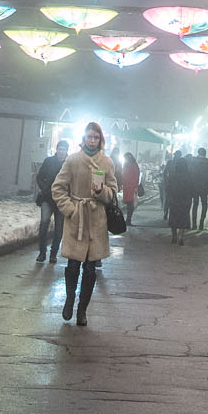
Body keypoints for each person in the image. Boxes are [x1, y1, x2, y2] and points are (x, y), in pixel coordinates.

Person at [51, 122, 120, 326]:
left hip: (97, 221)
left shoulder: (107, 163)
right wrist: (70, 209)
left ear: (100, 140)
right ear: (84, 138)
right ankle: (70, 298)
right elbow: (58, 188)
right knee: (73, 266)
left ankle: (82, 309)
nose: (92, 141)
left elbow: (113, 192)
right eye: (89, 137)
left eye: (96, 137)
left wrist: (102, 192)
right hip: (77, 219)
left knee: (90, 270)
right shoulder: (73, 160)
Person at [33, 139, 70, 265]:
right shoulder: (48, 161)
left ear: (67, 151)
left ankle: (53, 254)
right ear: (56, 149)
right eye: (60, 149)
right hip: (47, 198)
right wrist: (44, 189)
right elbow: (39, 177)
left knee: (59, 228)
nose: (61, 151)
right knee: (44, 223)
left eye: (63, 149)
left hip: (62, 200)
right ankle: (42, 252)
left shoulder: (69, 164)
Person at [120, 151, 141, 225]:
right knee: (129, 204)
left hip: (130, 187)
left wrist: (135, 187)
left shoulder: (131, 165)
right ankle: (128, 220)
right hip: (128, 187)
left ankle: (128, 220)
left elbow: (135, 176)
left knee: (130, 204)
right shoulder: (130, 165)